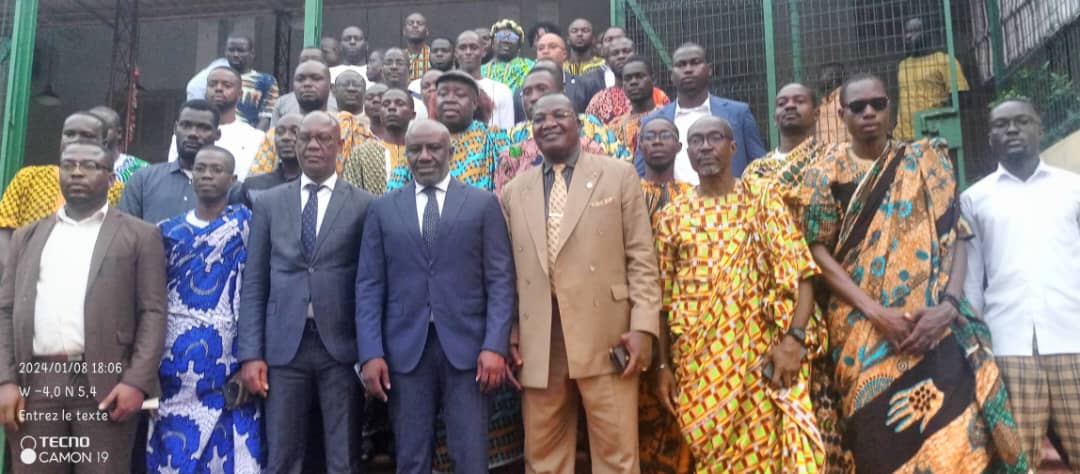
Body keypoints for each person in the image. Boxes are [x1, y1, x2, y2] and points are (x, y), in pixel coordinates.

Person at [783, 74, 1027, 472]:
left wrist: (948, 307)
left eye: (877, 104)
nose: (869, 113)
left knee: (960, 439)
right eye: (858, 107)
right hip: (861, 330)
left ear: (890, 109)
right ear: (841, 114)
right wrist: (877, 313)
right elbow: (816, 251)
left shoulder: (926, 160)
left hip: (934, 324)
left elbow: (957, 237)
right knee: (878, 441)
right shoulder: (824, 172)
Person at [499, 93, 659, 473]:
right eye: (540, 118)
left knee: (616, 455)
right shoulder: (514, 191)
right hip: (541, 339)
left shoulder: (618, 175)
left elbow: (641, 258)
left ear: (578, 122)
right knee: (543, 457)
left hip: (608, 333)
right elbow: (508, 272)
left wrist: (643, 326)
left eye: (560, 114)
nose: (549, 123)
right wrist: (511, 330)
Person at [652, 116, 824, 471]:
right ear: (687, 152)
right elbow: (662, 303)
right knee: (710, 455)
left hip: (759, 355)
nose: (705, 147)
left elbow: (801, 274)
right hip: (697, 363)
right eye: (696, 140)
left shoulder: (762, 199)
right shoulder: (672, 216)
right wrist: (663, 365)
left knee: (766, 454)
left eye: (714, 138)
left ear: (733, 147)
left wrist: (794, 339)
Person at [357, 118, 514, 474]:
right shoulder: (382, 209)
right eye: (415, 149)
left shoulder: (482, 205)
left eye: (434, 148)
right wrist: (370, 353)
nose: (425, 156)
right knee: (411, 459)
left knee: (470, 459)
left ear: (450, 152)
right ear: (406, 154)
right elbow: (369, 285)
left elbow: (501, 281)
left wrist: (495, 346)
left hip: (469, 351)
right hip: (404, 352)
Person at [0, 139, 167, 474]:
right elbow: (5, 310)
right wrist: (5, 380)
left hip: (107, 383)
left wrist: (136, 382)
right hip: (36, 382)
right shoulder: (27, 236)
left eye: (89, 166)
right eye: (68, 165)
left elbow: (153, 313)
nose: (76, 173)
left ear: (111, 178)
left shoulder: (140, 235)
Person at [238, 111, 375, 473]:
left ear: (339, 145)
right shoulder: (269, 203)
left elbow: (370, 284)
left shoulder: (364, 204)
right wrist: (251, 353)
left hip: (340, 348)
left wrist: (369, 351)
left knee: (342, 457)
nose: (313, 145)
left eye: (323, 139)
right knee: (283, 456)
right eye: (305, 138)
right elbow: (255, 282)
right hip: (283, 348)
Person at [962, 98, 1080, 467]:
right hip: (1008, 346)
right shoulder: (975, 199)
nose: (1012, 129)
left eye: (1022, 121)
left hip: (1072, 338)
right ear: (990, 138)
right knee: (1016, 459)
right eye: (1001, 125)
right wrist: (978, 346)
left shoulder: (1072, 188)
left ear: (1039, 128)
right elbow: (971, 280)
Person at [146, 146, 264, 472]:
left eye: (217, 170)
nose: (207, 175)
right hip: (171, 365)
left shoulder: (248, 226)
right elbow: (151, 299)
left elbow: (258, 292)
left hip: (229, 362)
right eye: (201, 169)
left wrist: (249, 357)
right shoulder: (165, 231)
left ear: (233, 179)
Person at [633, 116, 693, 474]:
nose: (657, 141)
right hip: (637, 313)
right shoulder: (628, 193)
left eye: (665, 136)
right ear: (639, 146)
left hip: (681, 311)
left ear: (678, 146)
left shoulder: (692, 195)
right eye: (649, 136)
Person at [637, 42, 766, 182]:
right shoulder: (652, 121)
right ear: (671, 75)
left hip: (730, 195)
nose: (688, 69)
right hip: (670, 196)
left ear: (709, 70)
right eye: (681, 65)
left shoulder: (738, 113)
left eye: (695, 62)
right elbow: (639, 174)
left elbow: (759, 167)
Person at [495, 63, 629, 194]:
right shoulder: (513, 136)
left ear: (561, 91)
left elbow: (622, 167)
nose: (533, 97)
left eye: (542, 88)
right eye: (527, 92)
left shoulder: (590, 126)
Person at [0, 111, 125, 247]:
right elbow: (3, 230)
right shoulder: (28, 178)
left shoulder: (114, 189)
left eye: (87, 135)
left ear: (104, 144)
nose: (76, 140)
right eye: (69, 134)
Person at [247, 60, 373, 176]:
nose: (307, 84)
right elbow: (257, 181)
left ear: (331, 88)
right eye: (300, 79)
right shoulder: (277, 134)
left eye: (316, 79)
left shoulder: (350, 127)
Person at [388, 71, 508, 192]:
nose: (450, 100)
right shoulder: (420, 138)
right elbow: (395, 190)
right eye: (443, 94)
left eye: (460, 95)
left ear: (475, 103)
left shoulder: (494, 138)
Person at [120, 100, 221, 223]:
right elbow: (124, 229)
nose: (193, 134)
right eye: (186, 125)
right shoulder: (143, 179)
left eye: (203, 128)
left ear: (217, 134)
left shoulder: (229, 188)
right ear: (175, 128)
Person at [168, 67, 266, 181]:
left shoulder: (256, 137)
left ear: (240, 94)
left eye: (227, 85)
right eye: (212, 84)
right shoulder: (185, 134)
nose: (218, 88)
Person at [895, 17, 969, 141]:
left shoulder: (945, 60)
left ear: (927, 33)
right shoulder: (903, 66)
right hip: (903, 138)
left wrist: (940, 124)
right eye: (907, 32)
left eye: (915, 31)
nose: (908, 36)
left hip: (932, 136)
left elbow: (961, 98)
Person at [514, 33, 604, 120]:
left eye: (552, 47)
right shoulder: (520, 92)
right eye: (541, 48)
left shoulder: (585, 85)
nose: (545, 51)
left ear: (564, 54)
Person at [343, 88, 416, 195]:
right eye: (386, 104)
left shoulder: (420, 152)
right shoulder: (361, 153)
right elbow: (350, 194)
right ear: (380, 114)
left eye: (400, 103)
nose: (391, 107)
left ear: (413, 114)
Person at [743, 82, 820, 182]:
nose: (790, 106)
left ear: (816, 114)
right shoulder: (755, 170)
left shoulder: (833, 159)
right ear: (775, 119)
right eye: (781, 103)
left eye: (800, 101)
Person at [586, 39, 670, 124]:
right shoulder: (598, 100)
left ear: (635, 54)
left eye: (626, 51)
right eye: (615, 53)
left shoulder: (659, 95)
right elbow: (589, 129)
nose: (621, 56)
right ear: (607, 60)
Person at [239, 113, 304, 208]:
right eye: (280, 132)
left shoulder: (318, 184)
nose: (285, 137)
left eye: (295, 132)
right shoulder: (253, 186)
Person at [457, 30, 515, 130]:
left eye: (473, 47)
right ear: (456, 53)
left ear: (483, 52)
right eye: (463, 48)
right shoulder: (445, 89)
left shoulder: (502, 90)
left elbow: (507, 132)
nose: (468, 52)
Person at [607, 56, 666, 154]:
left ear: (653, 80)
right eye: (628, 79)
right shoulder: (615, 126)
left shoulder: (667, 116)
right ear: (623, 84)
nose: (633, 82)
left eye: (640, 77)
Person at [271, 47, 340, 127]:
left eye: (316, 78)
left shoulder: (339, 104)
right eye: (304, 60)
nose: (307, 84)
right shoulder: (282, 102)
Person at [225, 33, 278, 130]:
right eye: (231, 50)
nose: (235, 54)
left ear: (252, 53)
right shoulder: (217, 79)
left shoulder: (266, 81)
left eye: (241, 51)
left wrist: (254, 137)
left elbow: (267, 117)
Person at [88, 105, 150, 183]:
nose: (96, 133)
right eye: (90, 129)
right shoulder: (76, 168)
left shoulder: (141, 169)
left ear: (119, 133)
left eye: (104, 128)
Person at [482, 19, 535, 91]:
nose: (506, 40)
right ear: (493, 43)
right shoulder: (480, 71)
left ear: (519, 46)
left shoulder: (529, 66)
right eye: (501, 35)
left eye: (512, 37)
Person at [383, 47, 430, 119]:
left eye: (400, 63)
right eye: (389, 63)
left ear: (410, 71)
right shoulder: (373, 101)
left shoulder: (422, 104)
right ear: (382, 70)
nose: (394, 67)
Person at [815, 63, 849, 144]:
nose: (818, 80)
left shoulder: (844, 100)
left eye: (822, 76)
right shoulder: (824, 104)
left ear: (834, 78)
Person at [405, 12, 431, 81]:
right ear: (404, 31)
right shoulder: (400, 57)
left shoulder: (433, 55)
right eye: (410, 23)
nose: (415, 25)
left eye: (420, 23)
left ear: (427, 31)